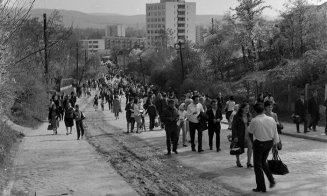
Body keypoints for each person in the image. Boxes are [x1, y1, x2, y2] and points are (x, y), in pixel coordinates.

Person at [248, 103, 279, 193]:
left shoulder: (254, 120)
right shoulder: (271, 119)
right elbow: (275, 132)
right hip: (269, 143)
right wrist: (275, 145)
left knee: (257, 166)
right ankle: (271, 180)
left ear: (255, 111)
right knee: (263, 162)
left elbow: (250, 131)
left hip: (259, 144)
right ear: (264, 110)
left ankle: (261, 187)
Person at [231, 103, 253, 168]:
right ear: (242, 108)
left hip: (248, 135)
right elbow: (234, 127)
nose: (247, 109)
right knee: (238, 147)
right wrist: (235, 136)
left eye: (248, 108)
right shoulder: (236, 116)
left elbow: (252, 124)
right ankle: (238, 161)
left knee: (250, 147)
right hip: (240, 135)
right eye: (246, 108)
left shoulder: (249, 115)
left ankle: (249, 162)